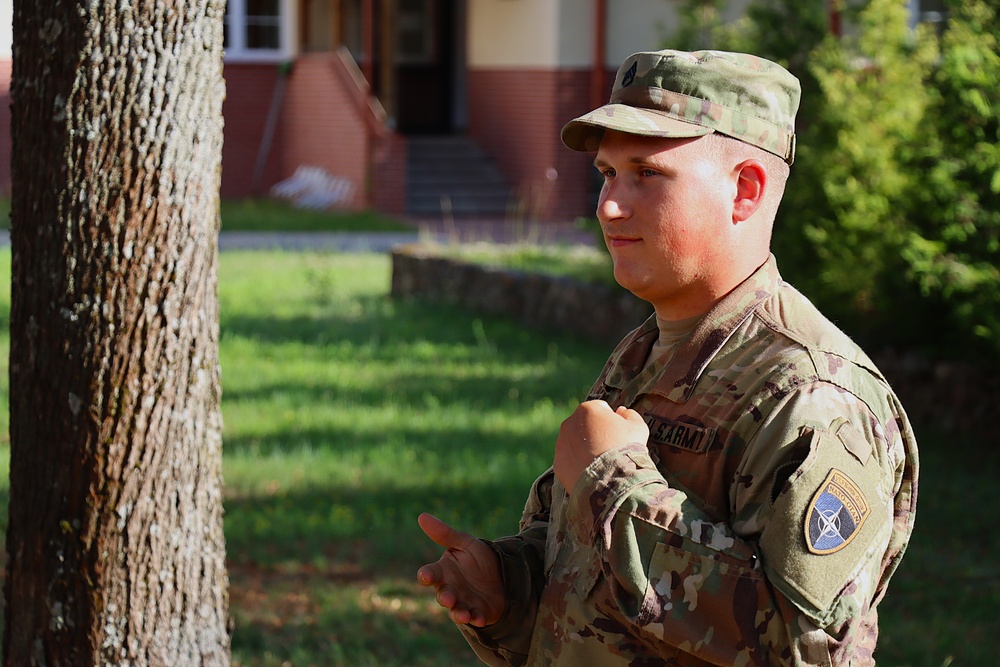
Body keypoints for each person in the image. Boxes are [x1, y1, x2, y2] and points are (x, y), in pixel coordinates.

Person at [416, 48, 919, 667]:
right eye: (606, 174)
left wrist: (613, 486)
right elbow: (598, 586)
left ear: (745, 190)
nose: (608, 205)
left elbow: (804, 651)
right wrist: (510, 587)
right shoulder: (647, 351)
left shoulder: (813, 397)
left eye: (646, 174)